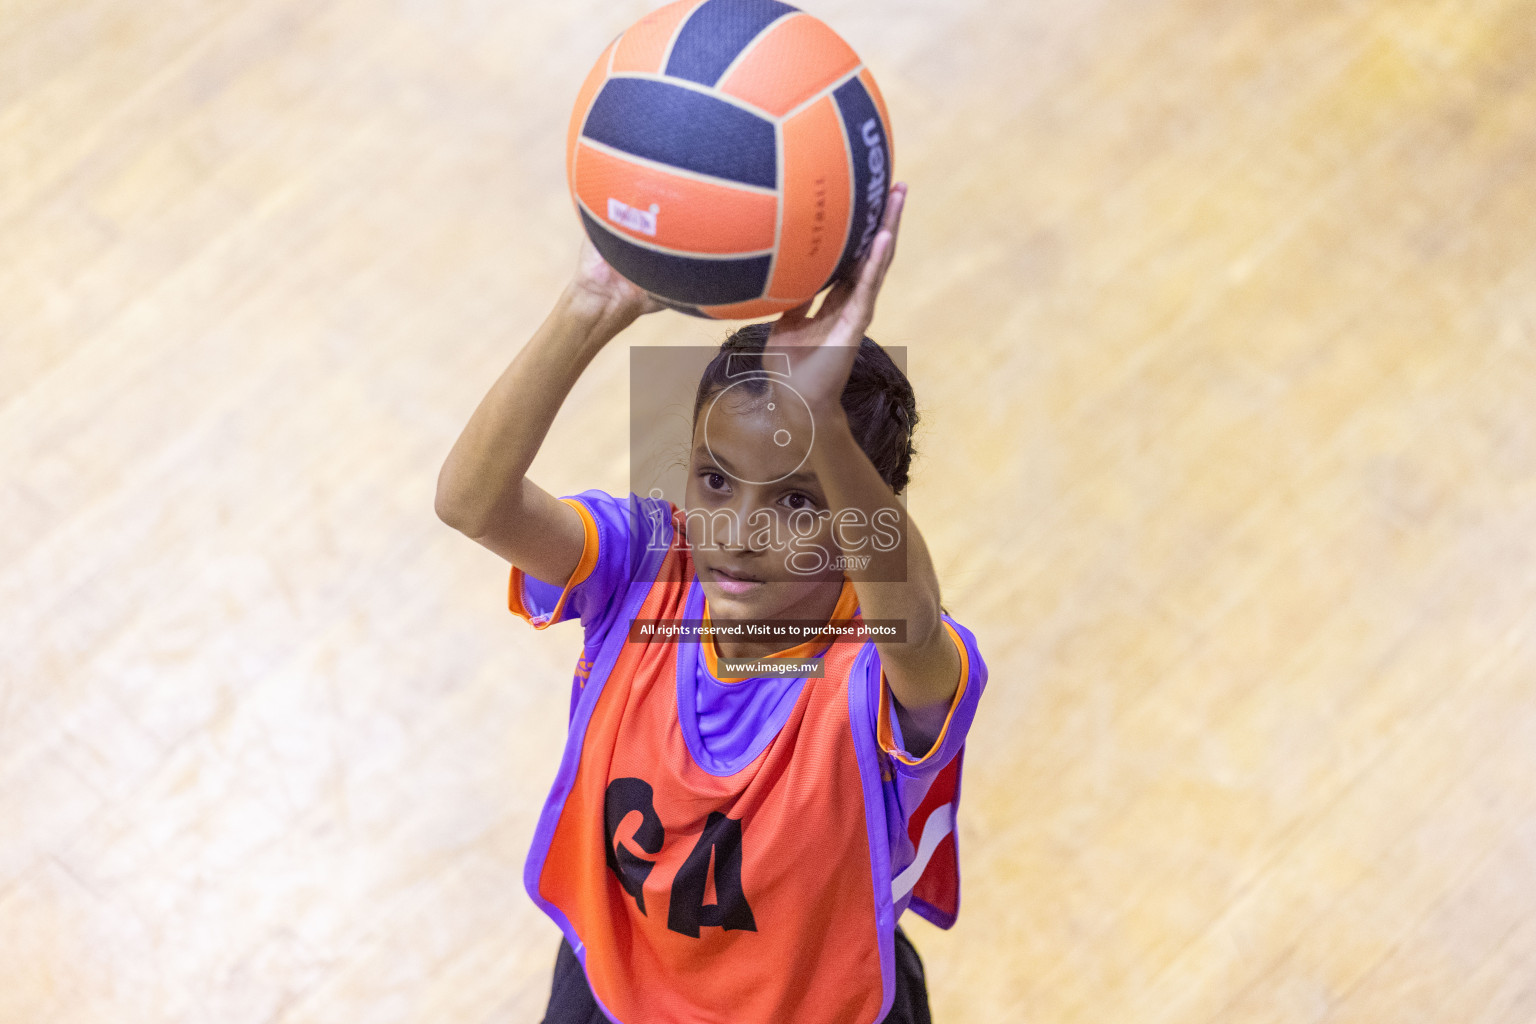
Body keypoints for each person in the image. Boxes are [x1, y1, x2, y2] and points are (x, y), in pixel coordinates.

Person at [435, 182, 987, 1024]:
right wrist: (590, 306)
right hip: (618, 990)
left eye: (799, 503)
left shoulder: (880, 665)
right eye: (716, 479)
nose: (736, 531)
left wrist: (827, 424)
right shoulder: (644, 566)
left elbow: (914, 623)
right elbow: (472, 504)